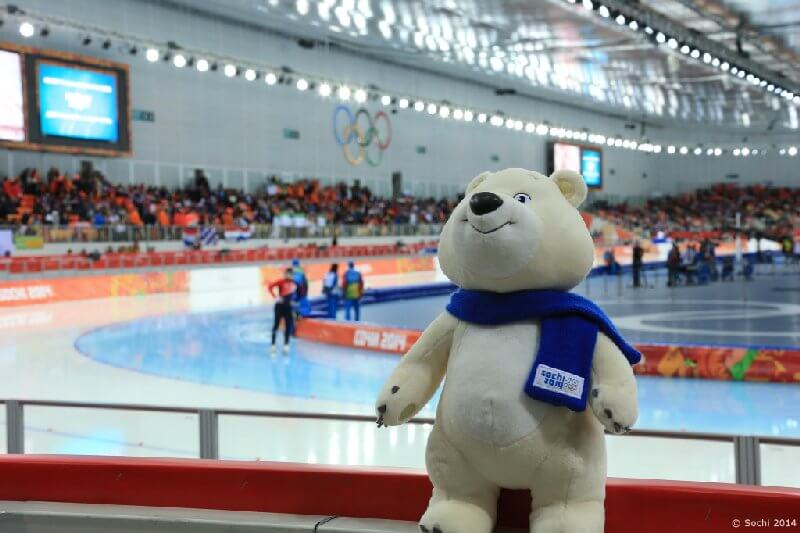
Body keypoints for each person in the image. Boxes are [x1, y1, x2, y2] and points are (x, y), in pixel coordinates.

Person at [269, 268, 296, 354]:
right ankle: (273, 345)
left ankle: (286, 346)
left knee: (288, 326)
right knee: (276, 325)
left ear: (292, 275)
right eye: (287, 274)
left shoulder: (294, 283)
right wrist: (275, 296)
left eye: (290, 274)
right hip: (279, 307)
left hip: (288, 307)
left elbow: (299, 293)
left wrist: (295, 301)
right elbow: (270, 287)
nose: (288, 276)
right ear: (285, 274)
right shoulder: (281, 282)